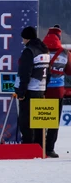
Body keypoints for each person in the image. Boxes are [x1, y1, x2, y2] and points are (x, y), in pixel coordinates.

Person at [15, 26, 49, 145]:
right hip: (40, 90)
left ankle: (28, 146)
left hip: (29, 91)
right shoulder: (44, 51)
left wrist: (21, 92)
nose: (23, 41)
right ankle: (40, 145)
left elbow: (25, 73)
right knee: (38, 120)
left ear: (27, 38)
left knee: (26, 121)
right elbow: (48, 73)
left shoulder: (29, 51)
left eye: (23, 38)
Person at [42, 26, 67, 157]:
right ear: (59, 37)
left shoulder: (39, 50)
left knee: (39, 119)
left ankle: (39, 146)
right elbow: (69, 70)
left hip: (40, 91)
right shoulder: (64, 53)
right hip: (57, 92)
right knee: (53, 121)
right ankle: (50, 148)